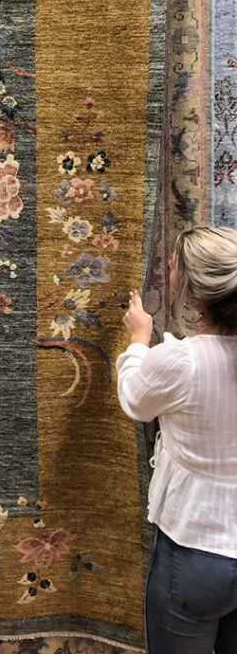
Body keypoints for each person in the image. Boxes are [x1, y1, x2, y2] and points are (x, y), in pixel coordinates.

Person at [117, 225, 237, 654]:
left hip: (195, 551)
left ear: (190, 286)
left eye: (173, 265)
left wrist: (137, 340)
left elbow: (135, 401)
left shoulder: (182, 362)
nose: (167, 268)